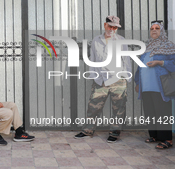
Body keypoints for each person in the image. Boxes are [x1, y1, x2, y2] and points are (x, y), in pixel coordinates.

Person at [74, 16, 132, 143]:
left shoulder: (121, 41)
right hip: (101, 80)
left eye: (115, 27)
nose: (112, 29)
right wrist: (94, 76)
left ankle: (114, 132)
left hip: (118, 79)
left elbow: (126, 60)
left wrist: (127, 78)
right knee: (93, 107)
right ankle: (88, 130)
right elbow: (92, 59)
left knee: (118, 108)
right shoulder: (96, 40)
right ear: (105, 25)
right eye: (110, 26)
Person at [134, 20, 175, 149]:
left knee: (163, 112)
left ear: (162, 31)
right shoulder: (147, 47)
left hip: (160, 87)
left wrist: (160, 62)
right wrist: (138, 82)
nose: (154, 30)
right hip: (146, 87)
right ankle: (155, 135)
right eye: (152, 28)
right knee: (150, 112)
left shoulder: (169, 46)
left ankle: (167, 139)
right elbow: (139, 67)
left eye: (157, 28)